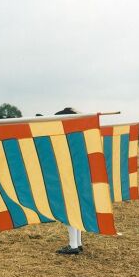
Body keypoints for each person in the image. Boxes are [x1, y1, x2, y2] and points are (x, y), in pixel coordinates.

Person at [54, 107, 84, 255]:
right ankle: (77, 243)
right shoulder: (79, 135)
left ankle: (73, 245)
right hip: (79, 176)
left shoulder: (67, 136)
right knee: (76, 208)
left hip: (69, 176)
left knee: (69, 210)